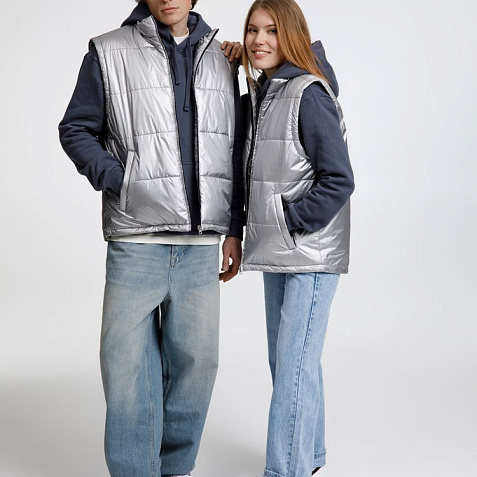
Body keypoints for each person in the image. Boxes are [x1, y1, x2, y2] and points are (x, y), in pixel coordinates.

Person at [58, 1, 244, 476]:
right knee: (127, 371)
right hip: (136, 241)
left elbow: (237, 144)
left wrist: (234, 228)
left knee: (197, 366)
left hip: (201, 244)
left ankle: (174, 469)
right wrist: (122, 180)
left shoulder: (224, 57)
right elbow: (76, 128)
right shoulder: (108, 51)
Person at [240, 0, 355, 476]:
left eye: (271, 31)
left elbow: (339, 179)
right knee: (291, 364)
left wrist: (290, 221)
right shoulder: (267, 92)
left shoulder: (307, 93)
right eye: (252, 30)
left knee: (293, 366)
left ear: (292, 36)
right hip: (279, 249)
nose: (259, 40)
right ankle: (311, 458)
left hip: (308, 252)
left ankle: (285, 470)